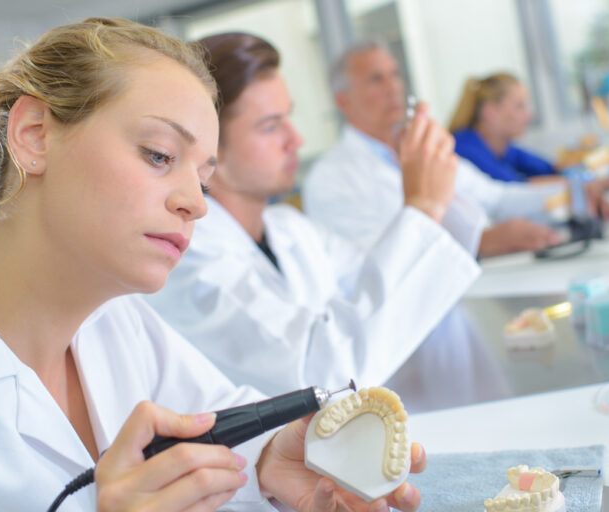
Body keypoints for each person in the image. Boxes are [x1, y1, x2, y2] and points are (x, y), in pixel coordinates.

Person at [0, 18, 425, 511]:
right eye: (159, 154)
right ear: (34, 136)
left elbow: (221, 420)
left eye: (204, 180)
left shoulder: (119, 322)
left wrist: (271, 460)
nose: (197, 203)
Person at [145, 32, 481, 397]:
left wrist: (432, 192)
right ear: (211, 148)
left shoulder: (291, 230)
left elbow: (391, 286)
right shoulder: (188, 263)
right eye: (271, 126)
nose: (296, 140)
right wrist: (423, 208)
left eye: (288, 118)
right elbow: (321, 375)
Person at [302, 42, 562, 258]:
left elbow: (496, 198)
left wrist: (575, 191)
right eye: (376, 79)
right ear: (342, 100)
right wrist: (480, 242)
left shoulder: (421, 147)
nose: (393, 87)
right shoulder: (329, 178)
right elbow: (369, 264)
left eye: (394, 75)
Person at [449, 72, 609, 218]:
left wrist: (603, 169)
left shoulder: (504, 147)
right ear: (491, 112)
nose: (529, 115)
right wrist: (597, 183)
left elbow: (553, 170)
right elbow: (517, 190)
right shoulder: (463, 148)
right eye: (520, 106)